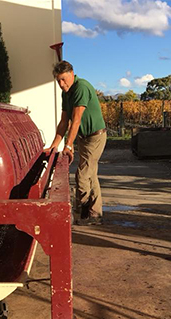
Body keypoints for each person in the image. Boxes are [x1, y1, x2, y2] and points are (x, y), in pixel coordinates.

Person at [43, 61, 107, 225]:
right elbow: (64, 122)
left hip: (95, 137)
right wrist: (54, 145)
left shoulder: (81, 87)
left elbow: (76, 119)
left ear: (72, 74)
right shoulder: (66, 93)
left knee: (83, 176)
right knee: (90, 174)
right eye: (58, 81)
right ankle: (95, 215)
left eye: (63, 79)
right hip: (84, 137)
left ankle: (84, 214)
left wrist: (68, 145)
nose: (61, 84)